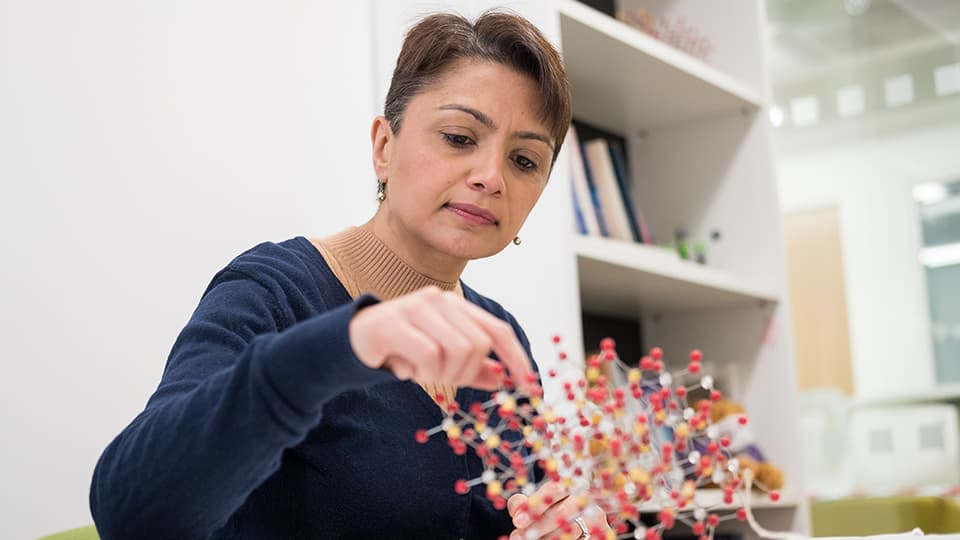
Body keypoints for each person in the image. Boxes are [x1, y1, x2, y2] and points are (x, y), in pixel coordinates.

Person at [90, 9, 610, 539]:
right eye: (458, 137)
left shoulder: (498, 336)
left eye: (524, 160)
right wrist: (344, 346)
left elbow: (519, 512)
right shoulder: (275, 291)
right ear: (384, 147)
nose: (491, 177)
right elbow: (131, 514)